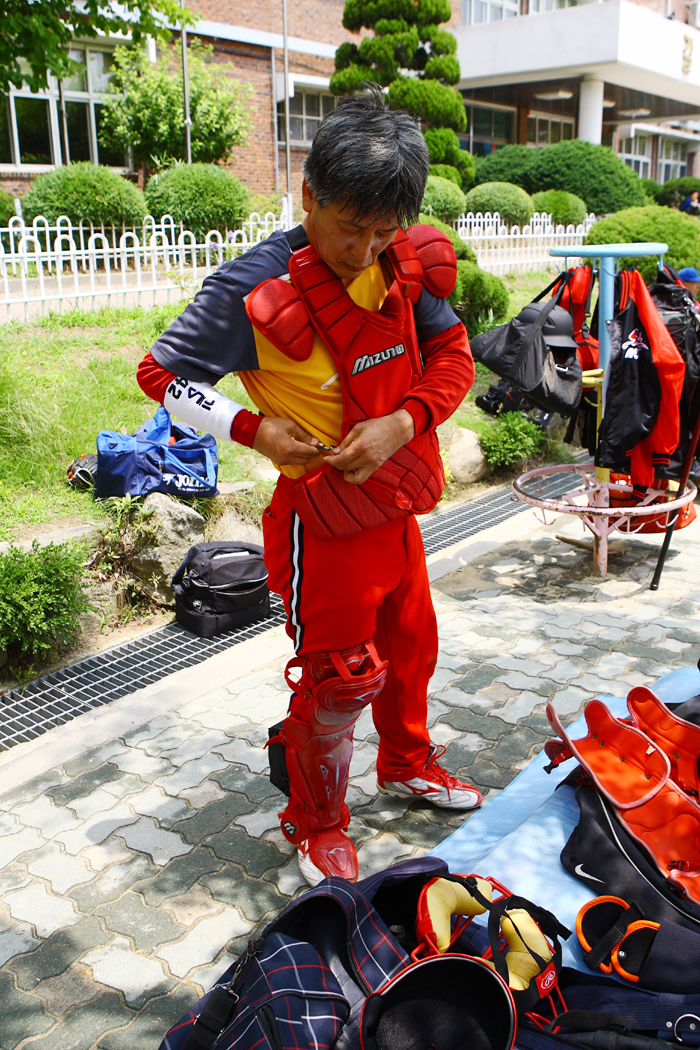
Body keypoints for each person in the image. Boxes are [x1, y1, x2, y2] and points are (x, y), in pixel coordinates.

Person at [136, 89, 481, 887]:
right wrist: (254, 431)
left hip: (397, 502)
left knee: (411, 647)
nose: (366, 251)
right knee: (340, 678)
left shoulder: (407, 260)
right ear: (307, 196)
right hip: (321, 522)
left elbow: (454, 354)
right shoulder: (251, 289)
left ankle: (405, 762)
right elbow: (160, 375)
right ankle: (316, 819)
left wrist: (404, 421)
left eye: (383, 231)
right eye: (349, 227)